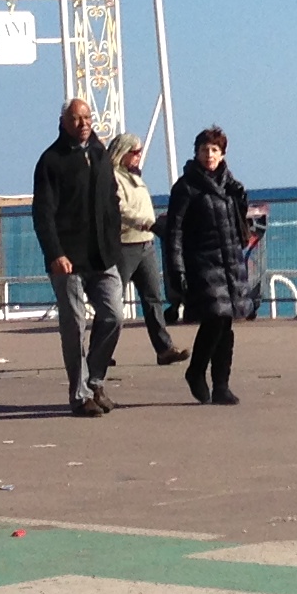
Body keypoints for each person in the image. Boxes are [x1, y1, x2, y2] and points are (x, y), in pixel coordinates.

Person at [31, 96, 123, 415]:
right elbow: (43, 213)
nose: (83, 123)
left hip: (102, 254)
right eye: (75, 119)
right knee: (74, 324)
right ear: (63, 123)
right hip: (67, 259)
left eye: (86, 117)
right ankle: (80, 395)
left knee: (113, 316)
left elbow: (112, 200)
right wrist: (55, 253)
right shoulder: (50, 161)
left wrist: (114, 240)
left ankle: (94, 380)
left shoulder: (100, 153)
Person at [168, 127, 252, 406]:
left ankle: (221, 385)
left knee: (226, 323)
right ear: (196, 153)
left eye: (214, 150)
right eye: (204, 149)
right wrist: (177, 269)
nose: (209, 155)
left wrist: (241, 198)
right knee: (215, 318)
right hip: (202, 261)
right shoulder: (186, 187)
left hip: (230, 260)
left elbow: (239, 224)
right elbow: (175, 230)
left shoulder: (230, 186)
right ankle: (195, 371)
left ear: (223, 153)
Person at [111, 135, 187, 366]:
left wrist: (154, 225)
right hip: (124, 244)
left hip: (146, 244)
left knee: (152, 297)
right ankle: (100, 351)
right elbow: (120, 209)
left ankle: (164, 349)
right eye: (134, 152)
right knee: (112, 302)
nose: (139, 155)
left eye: (140, 151)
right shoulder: (112, 177)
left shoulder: (135, 176)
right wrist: (146, 222)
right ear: (122, 152)